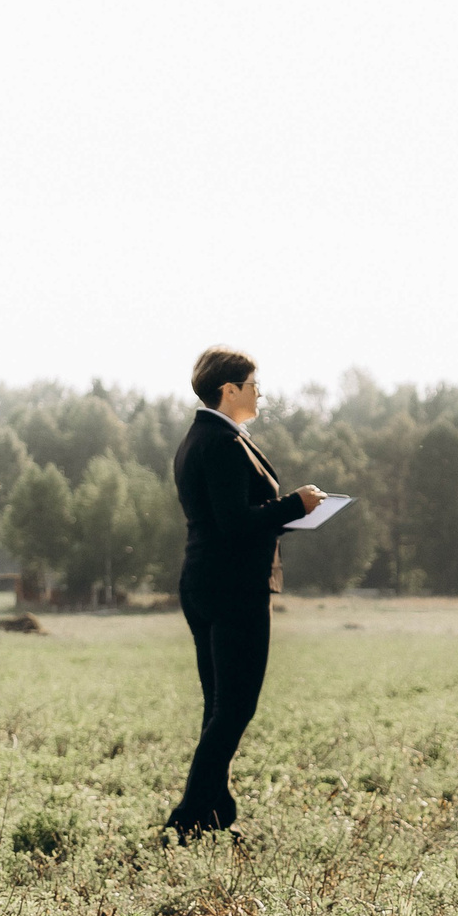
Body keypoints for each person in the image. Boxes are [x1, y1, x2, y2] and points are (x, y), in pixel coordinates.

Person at [163, 346, 324, 841]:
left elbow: (235, 520)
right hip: (234, 589)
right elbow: (236, 523)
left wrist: (291, 514)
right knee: (235, 709)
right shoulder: (224, 443)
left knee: (219, 706)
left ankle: (215, 811)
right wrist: (295, 504)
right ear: (229, 390)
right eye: (254, 385)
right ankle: (187, 819)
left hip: (205, 581)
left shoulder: (198, 439)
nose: (260, 394)